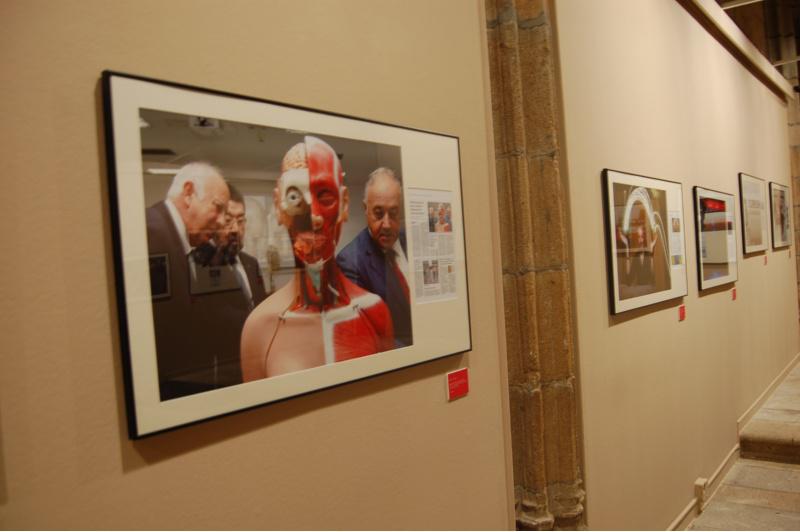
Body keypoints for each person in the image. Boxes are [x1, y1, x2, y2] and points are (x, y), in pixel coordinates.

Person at [240, 136, 394, 381]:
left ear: (344, 204)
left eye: (325, 197)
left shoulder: (373, 312)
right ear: (279, 207)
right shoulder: (260, 328)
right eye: (294, 197)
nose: (314, 217)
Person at [146, 162, 235, 400]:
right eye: (218, 208)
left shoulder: (176, 239)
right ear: (188, 193)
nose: (221, 222)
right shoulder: (151, 235)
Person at [337, 167, 413, 347]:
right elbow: (368, 336)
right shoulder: (350, 262)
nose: (386, 224)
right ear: (366, 209)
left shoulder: (413, 242)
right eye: (378, 213)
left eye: (393, 213)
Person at [211, 183, 268, 310]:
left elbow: (261, 309)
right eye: (228, 220)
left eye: (240, 221)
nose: (236, 229)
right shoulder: (201, 267)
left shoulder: (252, 264)